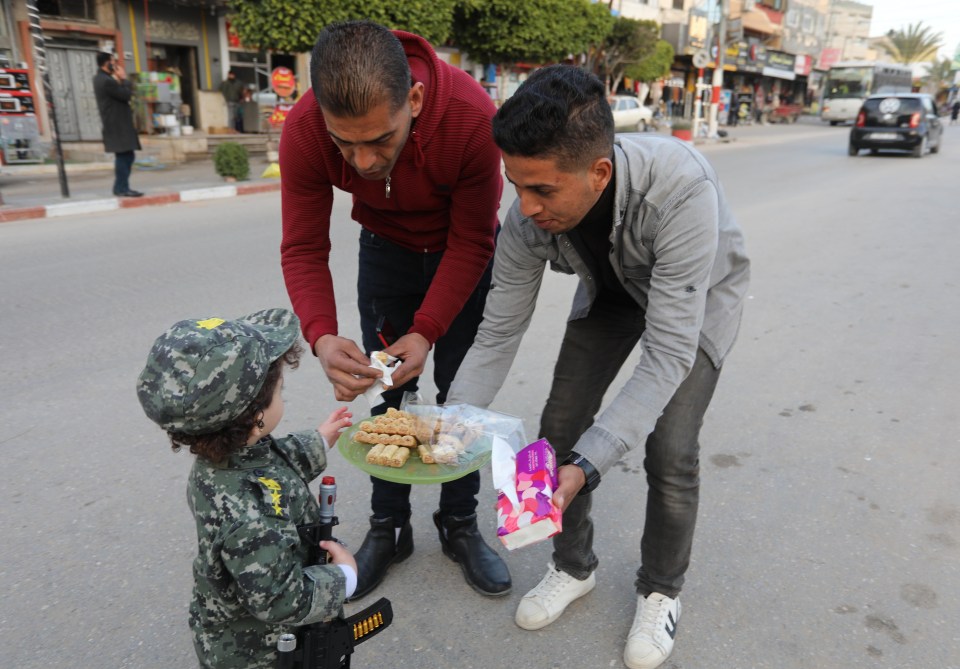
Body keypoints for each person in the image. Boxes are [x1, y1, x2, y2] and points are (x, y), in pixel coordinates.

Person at [446, 65, 750, 669]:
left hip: (693, 305)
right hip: (611, 294)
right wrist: (451, 421)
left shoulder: (680, 189)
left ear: (599, 172)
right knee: (558, 426)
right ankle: (572, 566)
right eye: (516, 186)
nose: (525, 208)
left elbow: (667, 353)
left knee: (671, 448)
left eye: (543, 191)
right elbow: (499, 330)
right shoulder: (525, 216)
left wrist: (587, 465)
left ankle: (660, 589)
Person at [279, 20, 509, 601]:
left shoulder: (471, 116)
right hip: (385, 252)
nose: (361, 161)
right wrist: (322, 337)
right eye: (344, 143)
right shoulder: (306, 129)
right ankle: (390, 526)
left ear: (414, 99)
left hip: (463, 253)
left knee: (462, 397)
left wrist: (427, 331)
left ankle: (458, 523)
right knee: (387, 393)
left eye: (379, 139)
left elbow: (474, 242)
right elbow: (304, 245)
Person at [136, 308, 357, 668]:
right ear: (256, 418)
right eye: (280, 392)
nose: (283, 398)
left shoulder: (222, 458)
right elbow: (279, 600)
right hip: (262, 651)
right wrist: (343, 578)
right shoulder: (251, 517)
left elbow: (273, 468)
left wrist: (318, 441)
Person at [93, 52, 142, 197]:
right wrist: (124, 78)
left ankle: (121, 187)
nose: (115, 65)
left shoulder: (101, 78)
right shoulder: (106, 81)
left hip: (117, 124)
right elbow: (126, 94)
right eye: (112, 62)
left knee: (127, 156)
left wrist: (119, 80)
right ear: (105, 63)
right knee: (124, 156)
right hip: (117, 125)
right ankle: (121, 188)